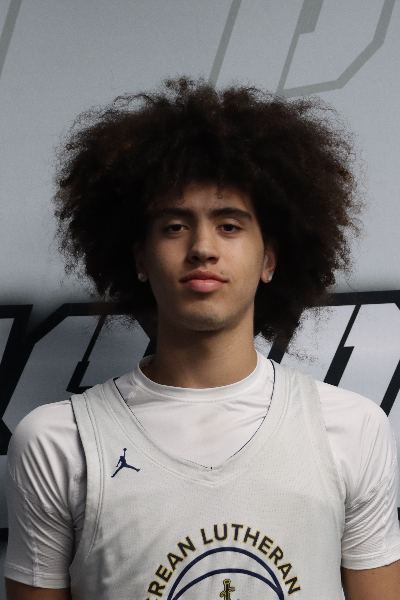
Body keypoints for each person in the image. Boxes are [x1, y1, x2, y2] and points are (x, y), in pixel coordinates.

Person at [4, 76, 400, 600]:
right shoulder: (58, 443)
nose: (203, 248)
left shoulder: (352, 430)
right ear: (140, 259)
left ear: (270, 258)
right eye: (174, 226)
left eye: (230, 225)